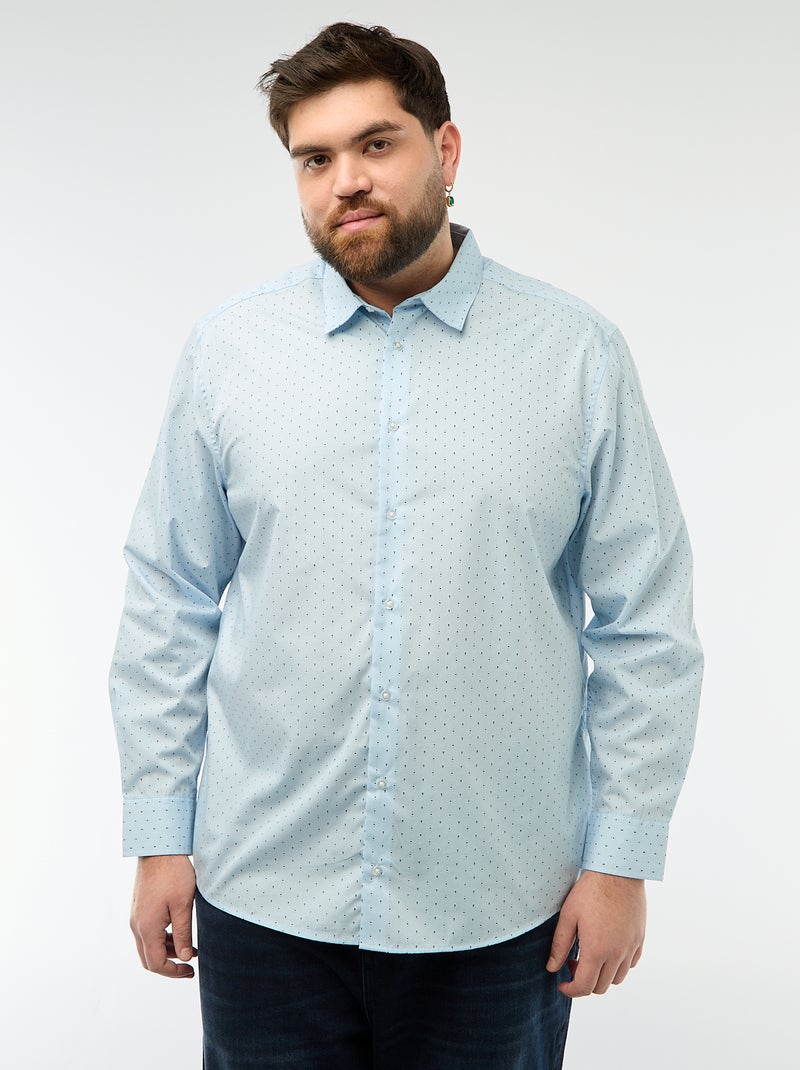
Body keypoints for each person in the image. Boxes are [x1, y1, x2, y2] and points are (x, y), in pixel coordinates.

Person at [110, 21, 703, 1069]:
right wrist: (161, 833)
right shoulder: (231, 352)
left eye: (375, 144)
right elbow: (169, 596)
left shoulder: (574, 356)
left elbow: (646, 625)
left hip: (496, 905)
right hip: (263, 892)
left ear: (446, 149)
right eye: (314, 158)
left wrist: (619, 861)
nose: (345, 179)